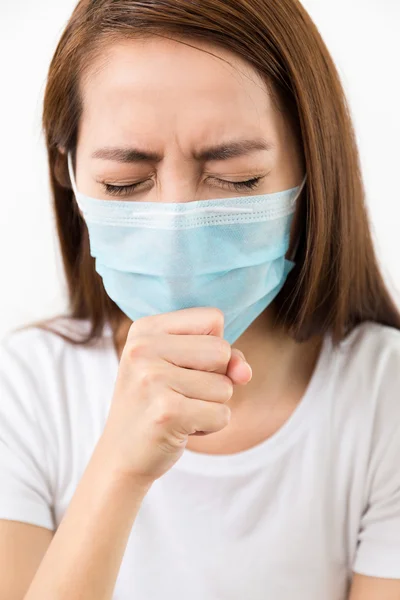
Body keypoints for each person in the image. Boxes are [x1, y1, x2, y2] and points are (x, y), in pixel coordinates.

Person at [1, 0, 400, 598]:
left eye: (237, 179)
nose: (177, 229)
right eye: (125, 184)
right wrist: (120, 469)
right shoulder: (23, 390)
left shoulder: (384, 397)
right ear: (71, 174)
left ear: (311, 163)